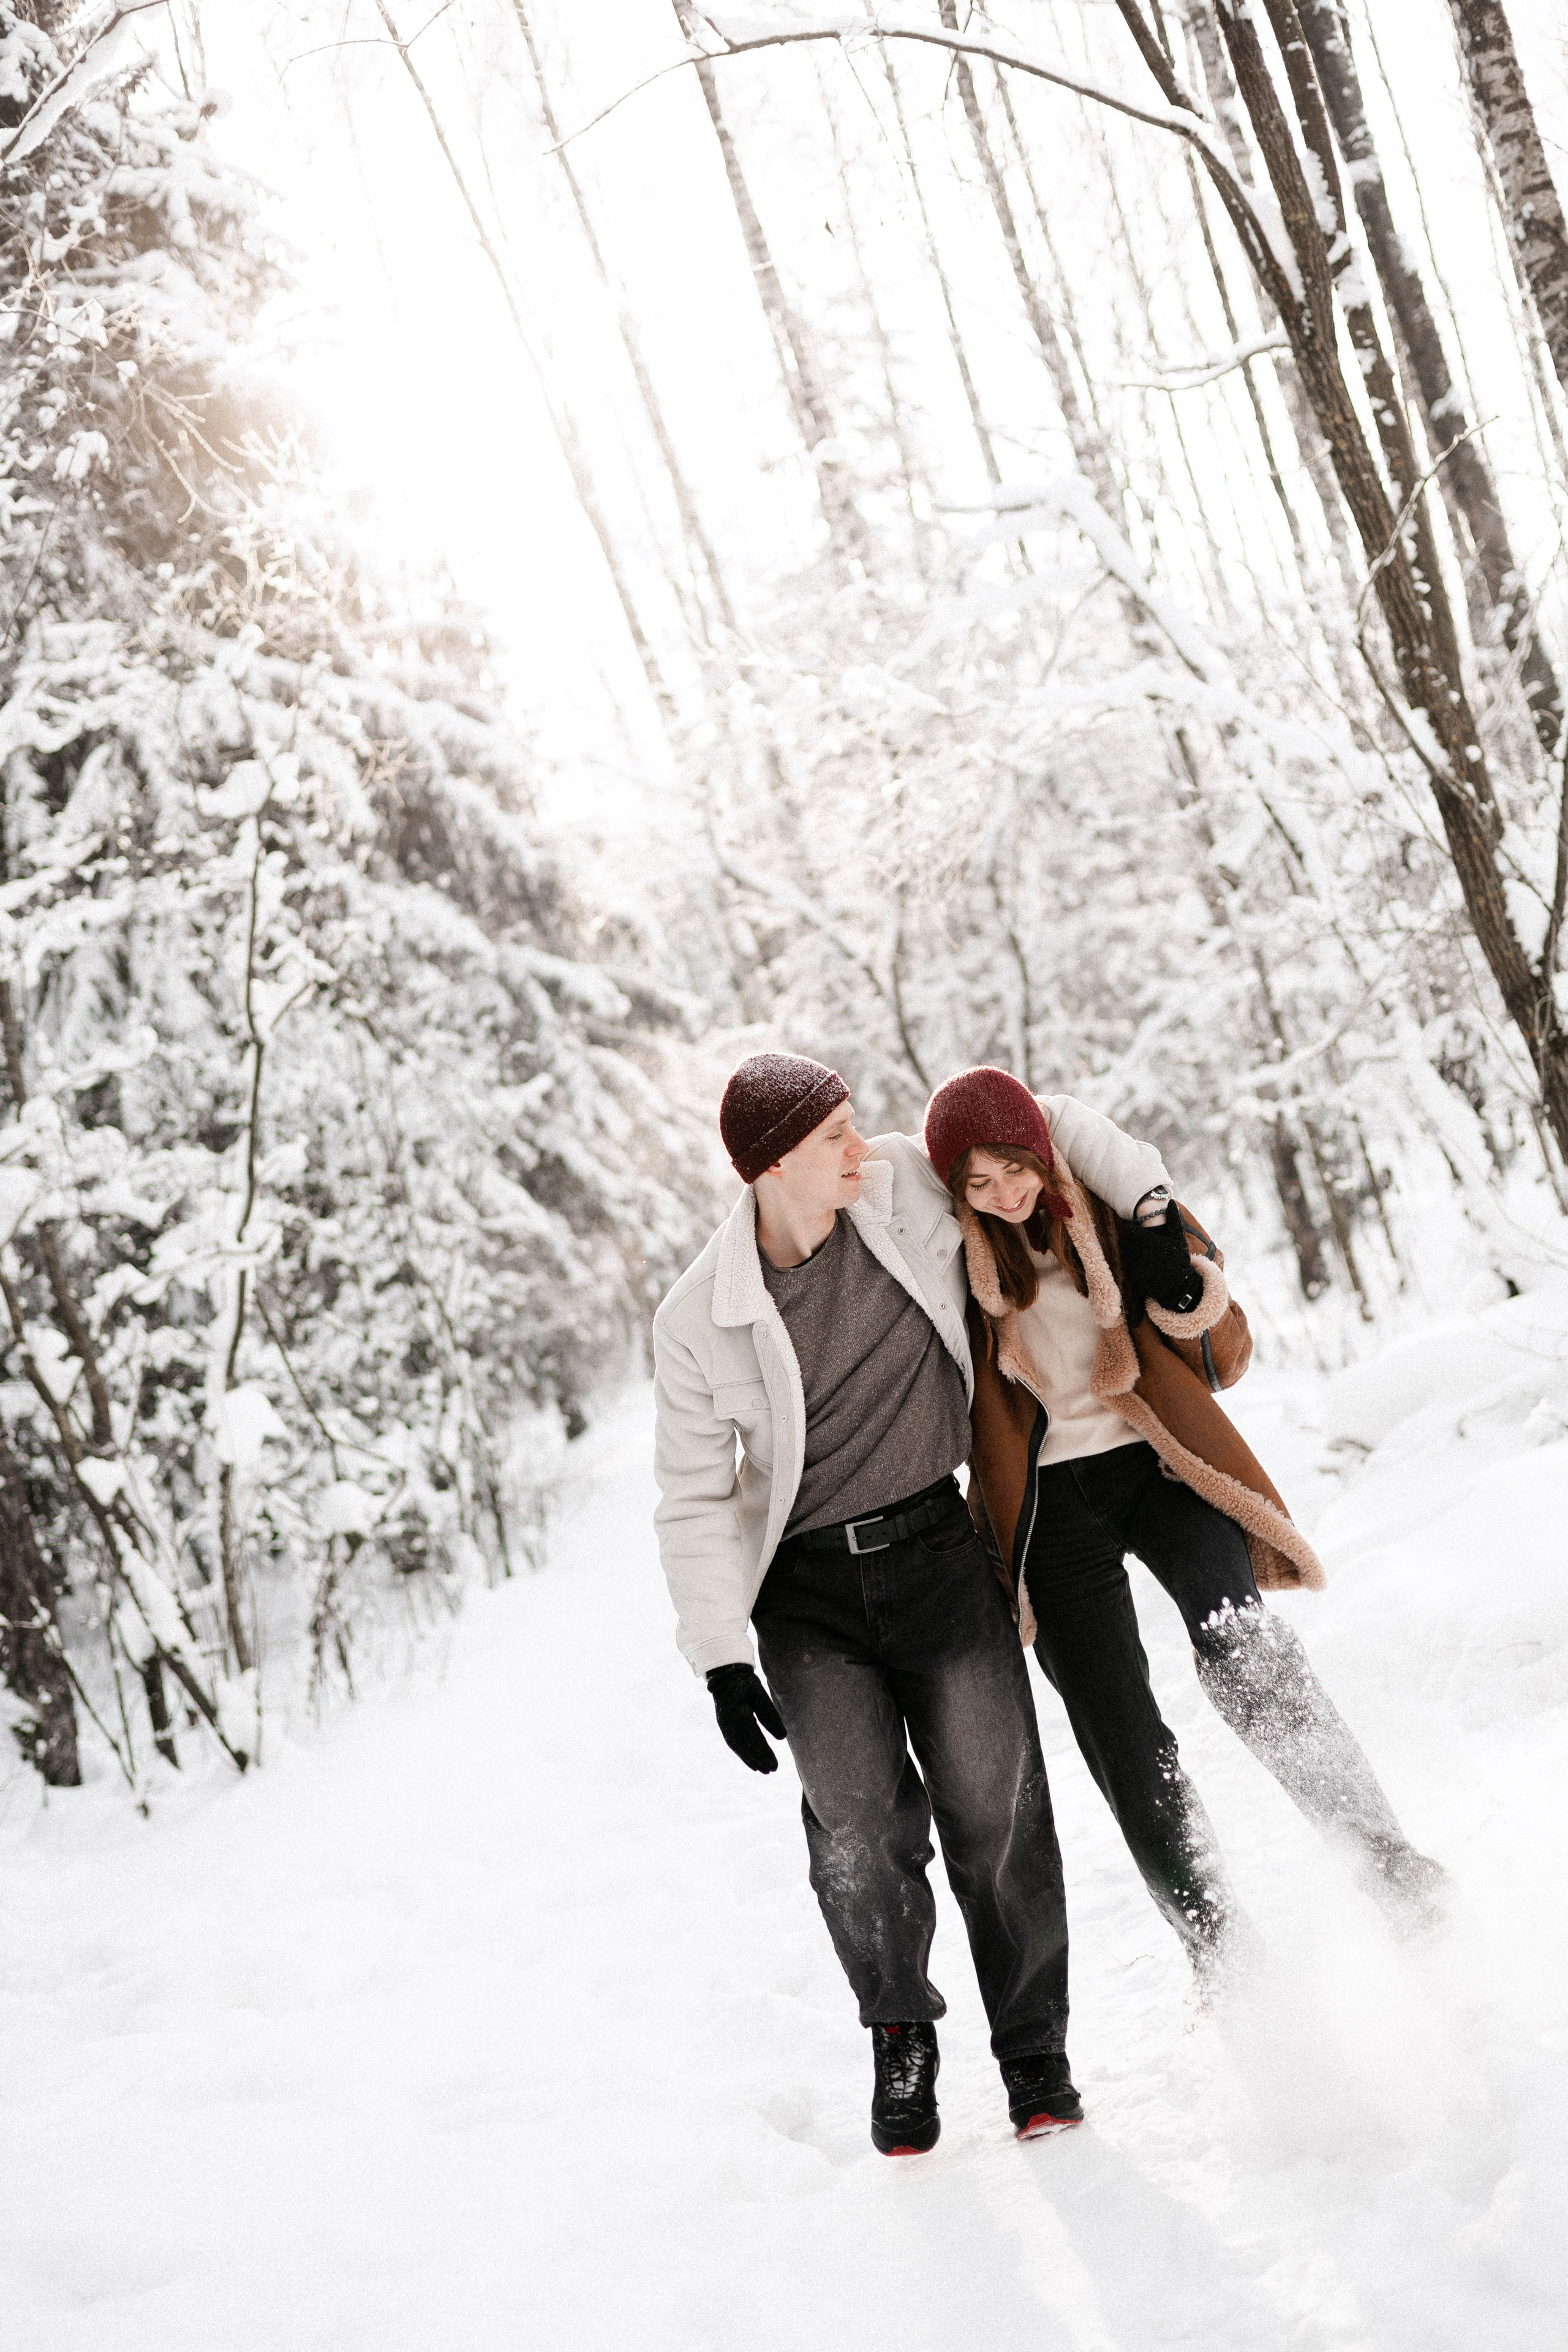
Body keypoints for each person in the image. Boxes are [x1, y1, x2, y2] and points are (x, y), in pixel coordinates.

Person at [652, 1052, 1173, 2152]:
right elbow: (694, 1498)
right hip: (807, 1594)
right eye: (833, 1134)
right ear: (773, 1165)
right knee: (858, 1828)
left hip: (940, 1548)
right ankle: (901, 2036)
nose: (859, 1143)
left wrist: (1155, 1207)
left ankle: (1035, 2054)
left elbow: (1043, 1125)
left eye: (853, 1126)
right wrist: (718, 1656)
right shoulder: (701, 1315)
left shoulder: (898, 1184)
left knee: (999, 1809)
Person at [921, 1065, 1447, 1989]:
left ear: (1043, 1151)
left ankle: (1392, 1869)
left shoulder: (1117, 1217)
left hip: (1157, 1467)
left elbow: (1228, 1351)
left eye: (1016, 1168)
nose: (1006, 1196)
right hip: (1050, 1510)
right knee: (1119, 1730)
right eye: (979, 1185)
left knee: (1245, 1651)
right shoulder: (960, 1268)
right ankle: (1218, 1944)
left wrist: (1174, 1262)